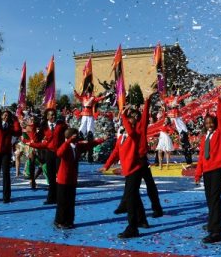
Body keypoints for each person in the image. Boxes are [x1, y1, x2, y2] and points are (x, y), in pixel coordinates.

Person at [114, 91, 164, 218]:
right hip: (134, 161)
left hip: (142, 160)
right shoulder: (128, 130)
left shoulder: (140, 128)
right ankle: (124, 206)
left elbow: (145, 114)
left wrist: (147, 101)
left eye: (136, 116)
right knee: (130, 186)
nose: (134, 118)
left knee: (149, 185)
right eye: (132, 116)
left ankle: (157, 209)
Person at [100, 108, 147, 239]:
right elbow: (115, 152)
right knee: (134, 197)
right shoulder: (121, 137)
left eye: (131, 123)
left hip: (135, 170)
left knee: (131, 200)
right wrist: (106, 166)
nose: (128, 125)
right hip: (128, 171)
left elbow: (131, 131)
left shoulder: (135, 135)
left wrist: (124, 116)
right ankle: (142, 220)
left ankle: (132, 228)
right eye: (128, 123)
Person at [55, 128, 106, 229]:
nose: (78, 137)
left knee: (71, 201)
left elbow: (90, 145)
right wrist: (68, 140)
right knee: (62, 201)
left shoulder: (77, 146)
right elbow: (59, 153)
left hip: (72, 178)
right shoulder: (66, 146)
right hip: (63, 178)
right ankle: (59, 221)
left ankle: (69, 220)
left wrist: (101, 140)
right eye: (76, 135)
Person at [194, 92, 221, 244]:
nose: (209, 125)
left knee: (214, 199)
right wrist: (197, 173)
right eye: (207, 123)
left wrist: (220, 100)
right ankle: (212, 223)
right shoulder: (205, 137)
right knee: (210, 199)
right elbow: (201, 156)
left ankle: (216, 231)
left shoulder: (219, 132)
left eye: (211, 123)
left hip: (217, 169)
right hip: (207, 170)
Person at [24, 108, 67, 204]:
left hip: (60, 153)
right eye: (51, 115)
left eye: (54, 114)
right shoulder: (44, 126)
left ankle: (61, 197)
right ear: (47, 116)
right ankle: (51, 198)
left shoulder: (61, 125)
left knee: (60, 175)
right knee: (51, 177)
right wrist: (33, 127)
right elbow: (36, 139)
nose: (53, 116)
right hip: (49, 153)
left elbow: (67, 135)